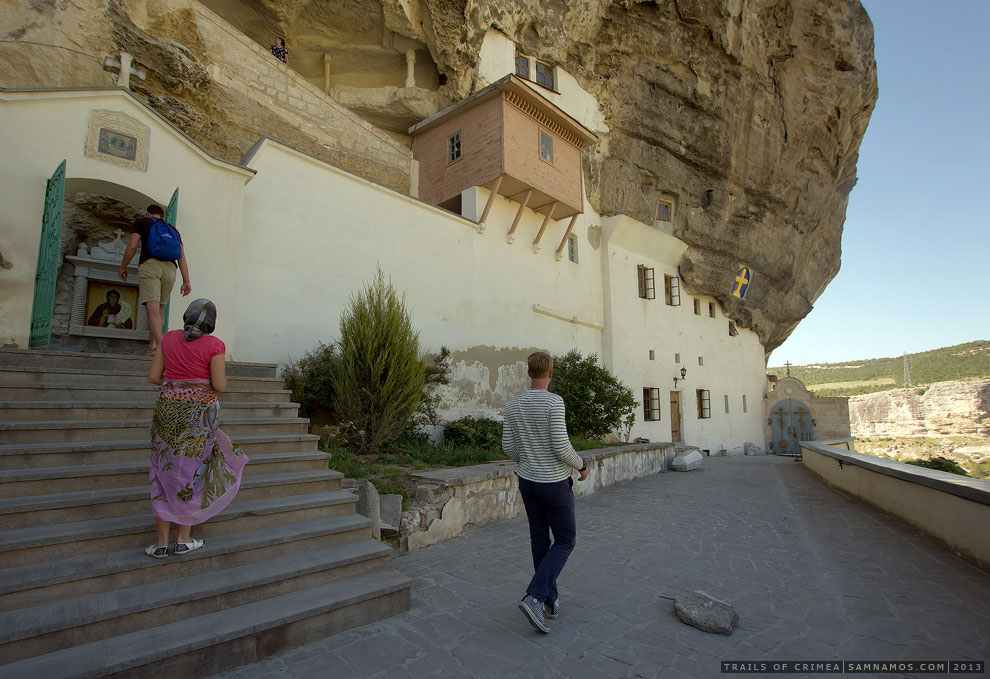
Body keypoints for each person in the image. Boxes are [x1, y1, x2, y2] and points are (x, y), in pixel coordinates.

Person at [144, 298, 248, 559]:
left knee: (161, 470)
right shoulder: (214, 345)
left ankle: (160, 543)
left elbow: (154, 377)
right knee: (192, 473)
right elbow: (220, 385)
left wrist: (178, 383)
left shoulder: (167, 339)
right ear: (211, 323)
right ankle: (182, 539)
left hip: (167, 411)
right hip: (199, 417)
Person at [502, 351, 588, 633]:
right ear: (550, 374)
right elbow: (561, 446)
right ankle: (535, 596)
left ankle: (550, 599)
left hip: (527, 481)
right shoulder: (554, 402)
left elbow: (508, 448)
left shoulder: (513, 404)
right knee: (565, 540)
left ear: (529, 373)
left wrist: (526, 459)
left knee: (540, 539)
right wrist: (582, 465)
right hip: (553, 483)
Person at [118, 204, 191, 355]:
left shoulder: (142, 223)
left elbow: (132, 245)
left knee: (152, 308)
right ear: (162, 217)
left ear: (147, 214)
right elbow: (181, 257)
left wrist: (123, 266)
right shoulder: (172, 229)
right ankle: (153, 346)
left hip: (150, 265)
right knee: (160, 309)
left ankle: (163, 346)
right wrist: (186, 281)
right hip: (170, 269)